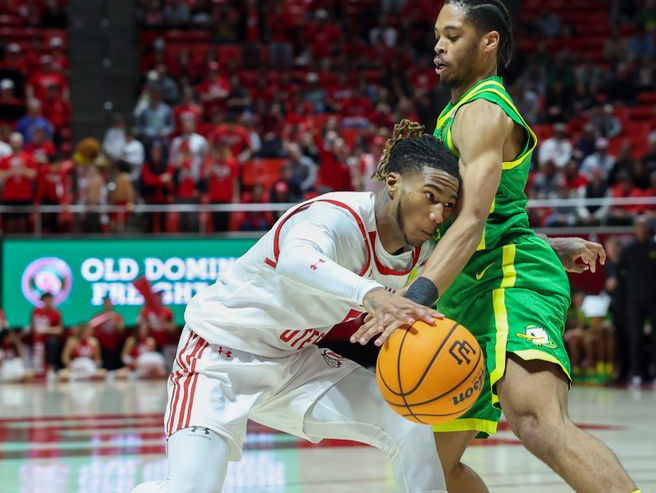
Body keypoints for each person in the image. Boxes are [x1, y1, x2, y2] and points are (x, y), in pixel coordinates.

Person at [353, 0, 638, 493]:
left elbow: (472, 223)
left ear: (489, 42)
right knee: (433, 468)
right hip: (469, 285)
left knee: (535, 419)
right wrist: (549, 243)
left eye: (452, 36)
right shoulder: (456, 112)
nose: (438, 47)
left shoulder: (482, 111)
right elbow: (478, 215)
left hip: (506, 279)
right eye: (436, 36)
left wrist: (412, 299)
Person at [132, 123, 460, 493]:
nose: (438, 215)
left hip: (294, 363)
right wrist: (371, 294)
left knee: (408, 420)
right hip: (220, 357)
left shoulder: (421, 250)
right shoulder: (335, 216)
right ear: (393, 183)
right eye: (430, 196)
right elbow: (295, 260)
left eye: (447, 205)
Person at [618, 217, 656, 388]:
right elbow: (621, 275)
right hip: (634, 301)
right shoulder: (628, 250)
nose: (642, 229)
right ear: (635, 228)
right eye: (639, 226)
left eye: (645, 226)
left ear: (649, 228)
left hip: (654, 299)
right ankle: (637, 373)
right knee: (635, 338)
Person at [89, 297, 125, 370]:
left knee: (112, 365)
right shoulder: (98, 316)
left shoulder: (117, 316)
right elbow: (91, 328)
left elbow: (121, 330)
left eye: (109, 303)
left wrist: (115, 320)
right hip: (101, 345)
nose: (108, 304)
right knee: (102, 365)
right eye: (106, 303)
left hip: (113, 344)